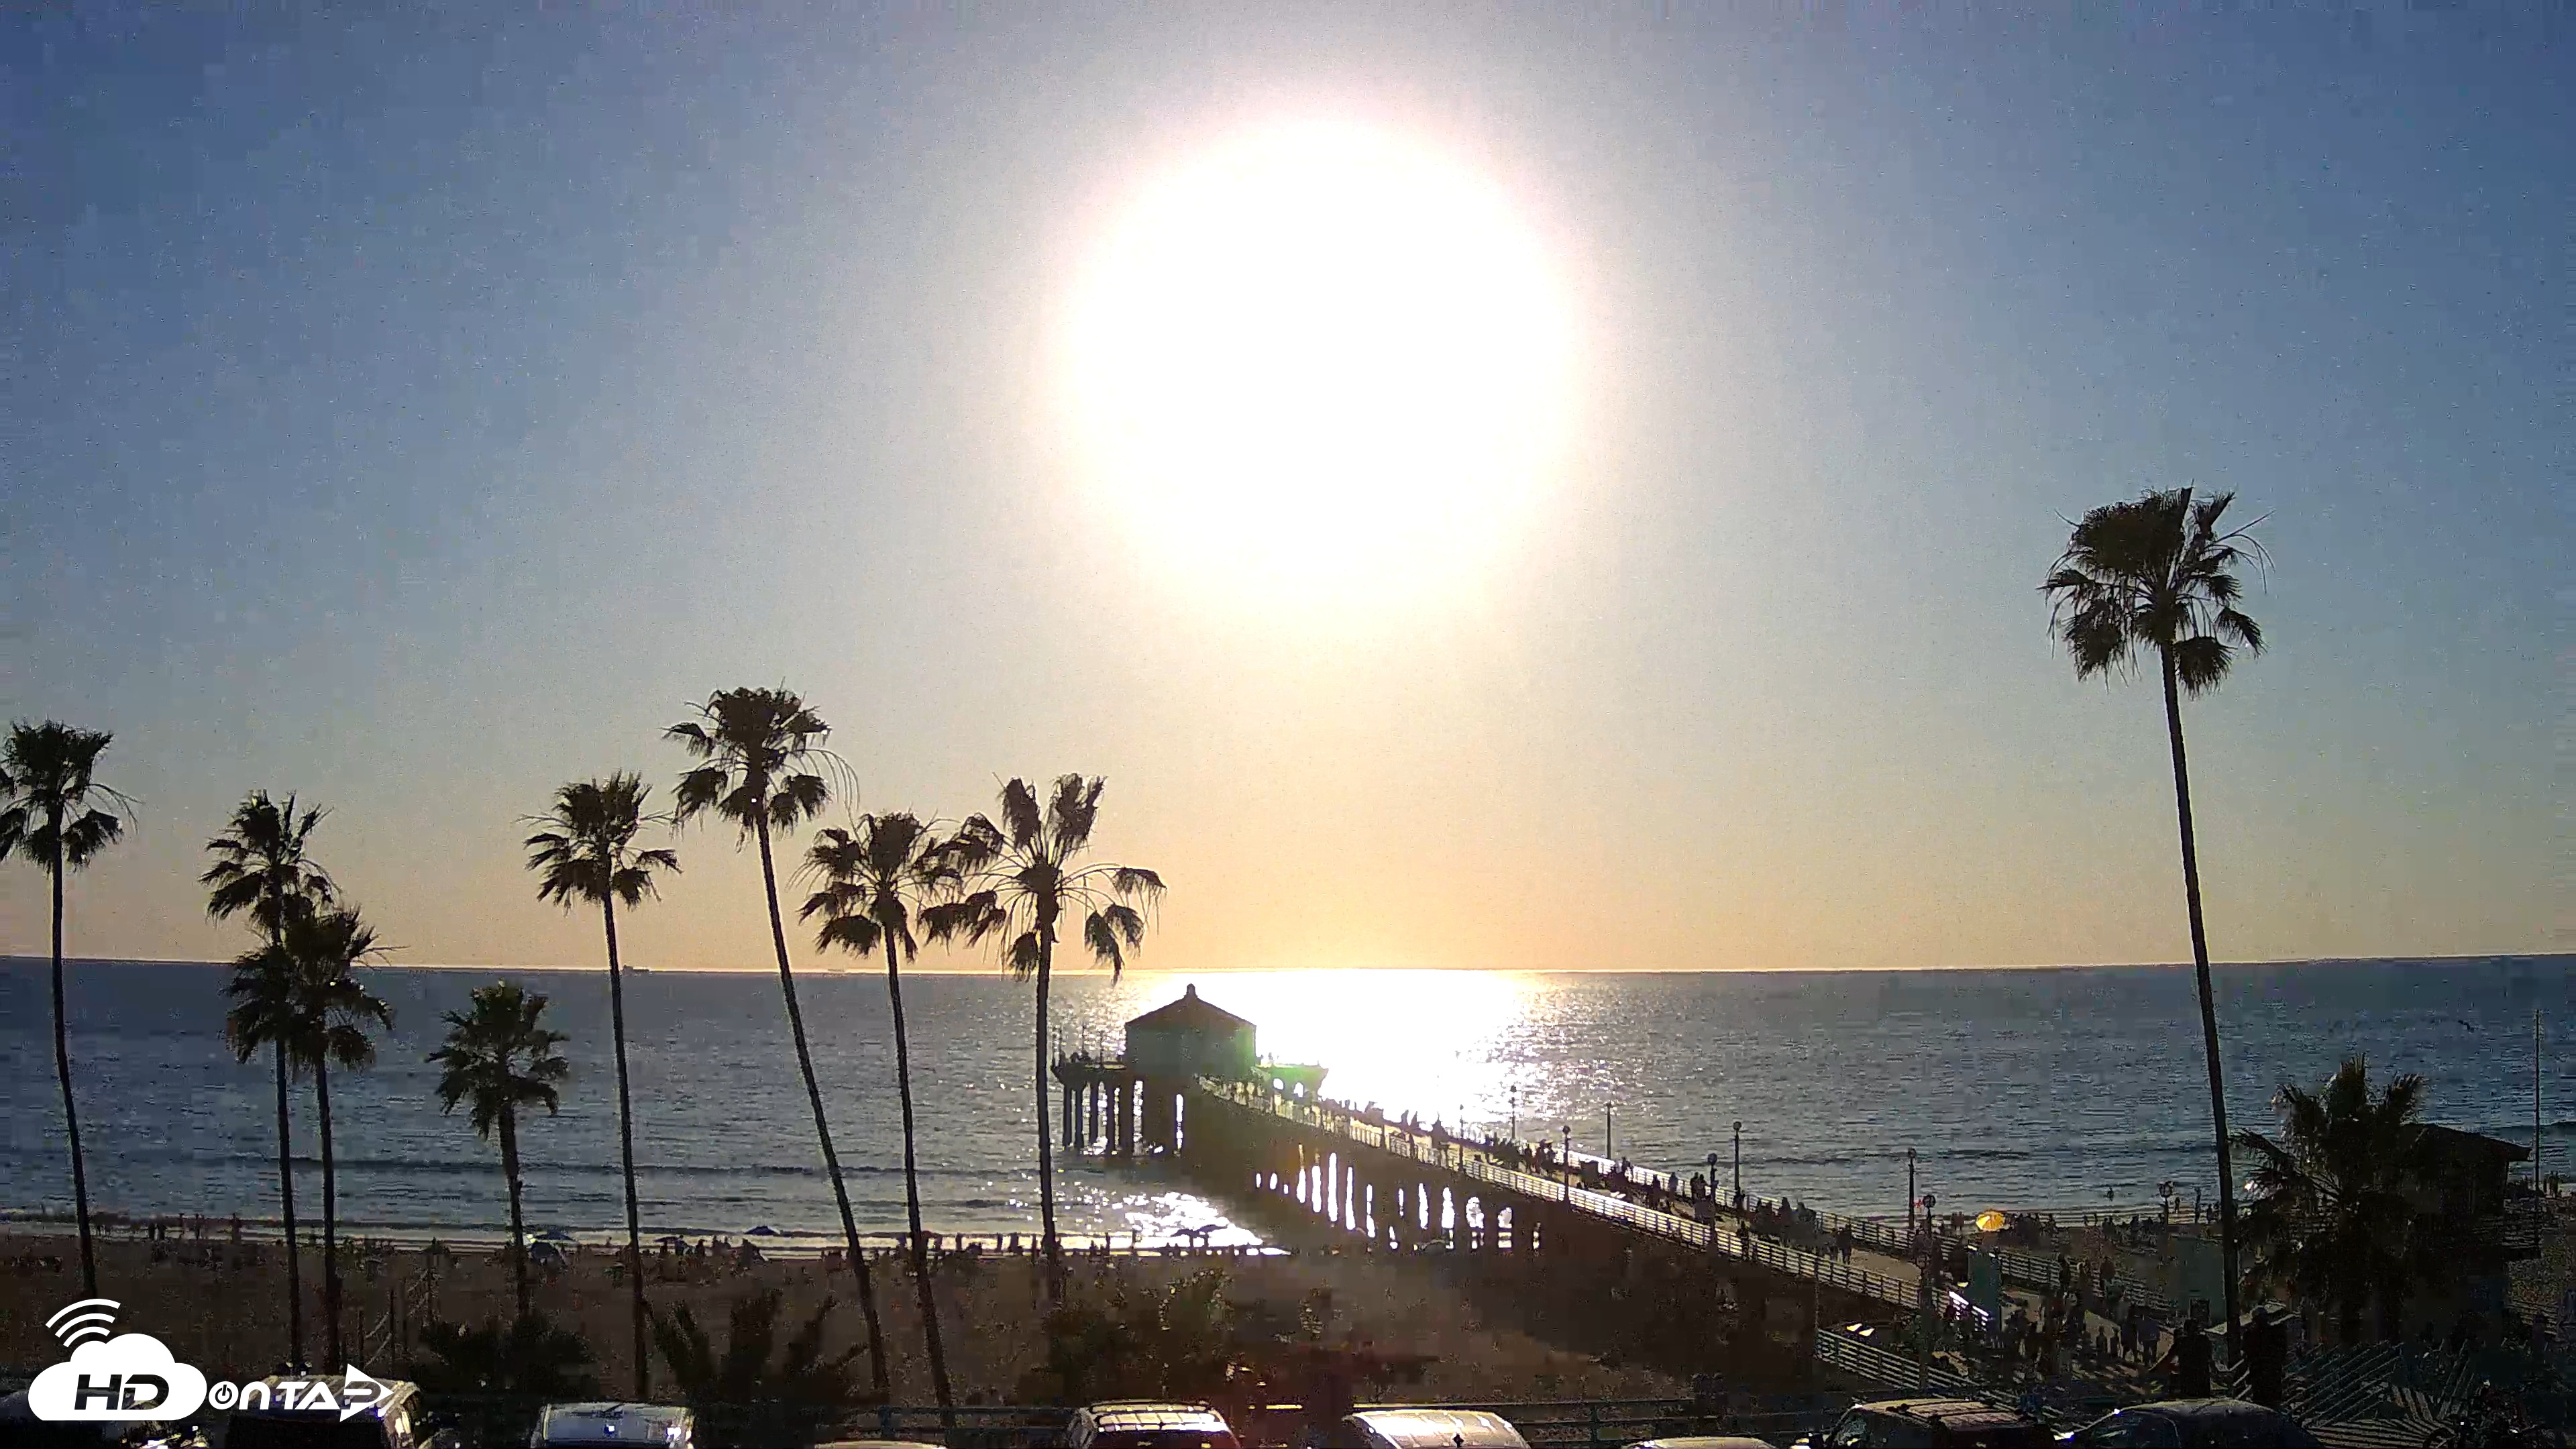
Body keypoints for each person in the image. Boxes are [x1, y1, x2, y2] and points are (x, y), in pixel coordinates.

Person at [2243, 1305, 2288, 1409]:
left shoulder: (2252, 1334)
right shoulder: (2275, 1332)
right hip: (2268, 1372)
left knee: (2264, 1400)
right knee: (2270, 1400)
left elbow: (2246, 1352)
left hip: (2262, 1372)